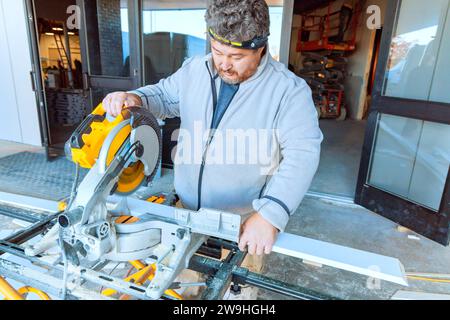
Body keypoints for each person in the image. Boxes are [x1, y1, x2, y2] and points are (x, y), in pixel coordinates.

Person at [103, 0, 323, 258]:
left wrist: (271, 214)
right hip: (184, 213)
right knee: (184, 287)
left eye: (236, 56)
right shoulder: (195, 69)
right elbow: (163, 96)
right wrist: (136, 98)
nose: (224, 64)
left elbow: (302, 154)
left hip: (243, 225)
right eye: (218, 51)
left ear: (261, 46)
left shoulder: (289, 91)